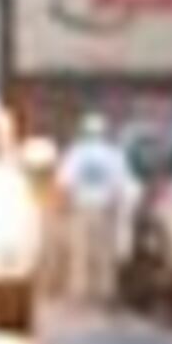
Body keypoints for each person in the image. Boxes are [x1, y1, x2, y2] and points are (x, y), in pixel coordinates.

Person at [52, 115, 140, 306]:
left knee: (80, 252)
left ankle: (79, 293)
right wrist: (117, 209)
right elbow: (121, 184)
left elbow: (64, 183)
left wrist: (62, 208)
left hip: (81, 208)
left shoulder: (76, 153)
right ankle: (104, 292)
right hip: (104, 209)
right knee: (104, 255)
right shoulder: (113, 154)